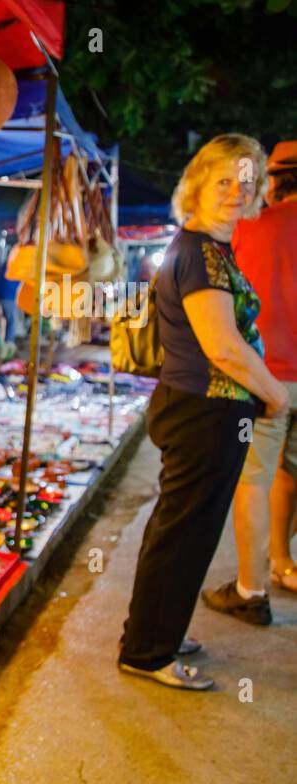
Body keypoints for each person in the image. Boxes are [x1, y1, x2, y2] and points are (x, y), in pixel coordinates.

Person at [119, 134, 290, 689]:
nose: (236, 192)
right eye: (224, 180)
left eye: (246, 181)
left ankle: (155, 633)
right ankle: (148, 652)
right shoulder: (198, 254)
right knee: (183, 533)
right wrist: (275, 393)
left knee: (184, 532)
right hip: (202, 410)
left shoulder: (211, 249)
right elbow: (222, 347)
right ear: (196, 184)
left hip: (207, 410)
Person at [204, 140, 297, 617]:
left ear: (275, 181)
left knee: (254, 481)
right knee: (288, 472)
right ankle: (283, 561)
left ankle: (251, 591)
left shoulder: (250, 226)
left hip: (268, 379)